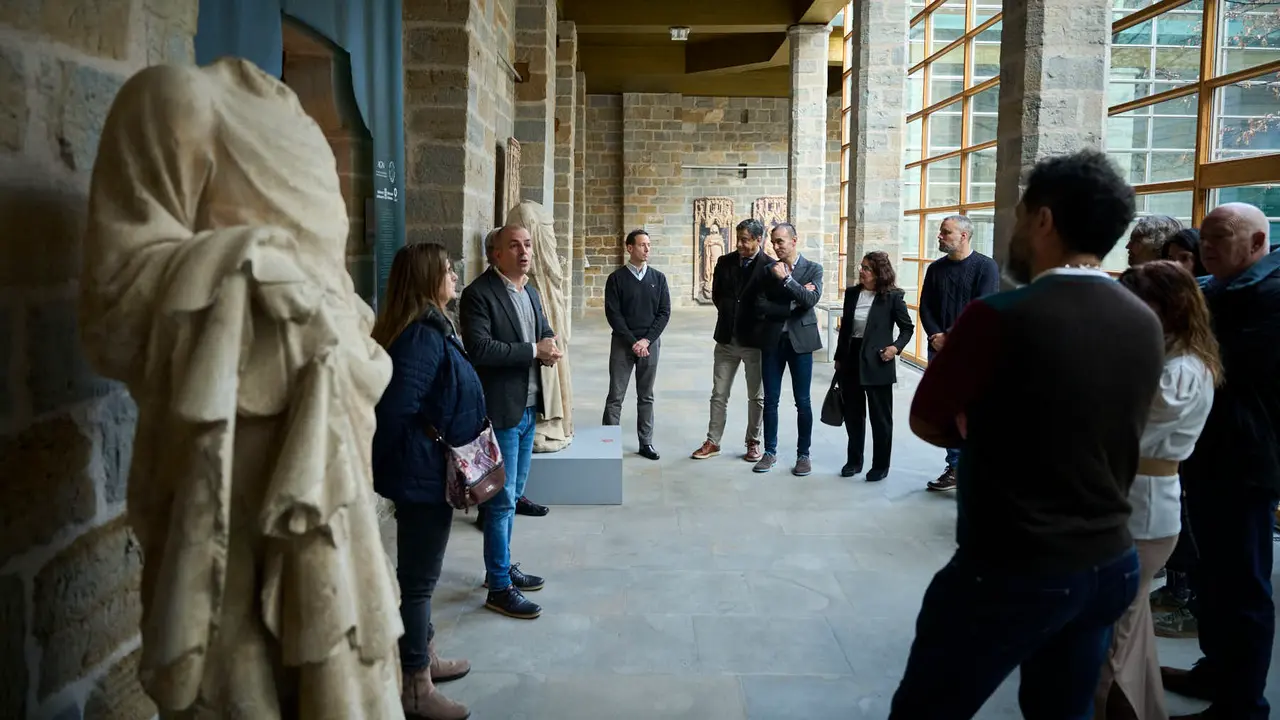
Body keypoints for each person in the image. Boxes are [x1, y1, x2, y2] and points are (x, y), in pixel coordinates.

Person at [889, 149, 1166, 719]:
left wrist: (984, 426)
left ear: (1043, 220)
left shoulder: (999, 315)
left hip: (1016, 562)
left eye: (1019, 214)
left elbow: (927, 419)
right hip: (1112, 559)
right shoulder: (1142, 318)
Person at [1162, 202, 1279, 720]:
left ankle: (1243, 704)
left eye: (1221, 237)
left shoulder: (1270, 295)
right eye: (1204, 236)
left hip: (1246, 461)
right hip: (1211, 454)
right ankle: (1216, 671)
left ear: (1256, 244)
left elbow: (1215, 362)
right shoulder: (1222, 289)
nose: (1207, 246)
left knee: (1244, 584)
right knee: (1215, 574)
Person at [1092, 260, 1219, 720]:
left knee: (1108, 638)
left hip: (1142, 510)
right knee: (1129, 630)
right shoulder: (1164, 356)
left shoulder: (1182, 369)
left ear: (1169, 308)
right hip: (1131, 501)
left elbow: (1115, 425)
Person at [371, 243, 480, 720]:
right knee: (417, 582)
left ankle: (425, 657)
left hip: (426, 471)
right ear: (425, 279)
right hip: (423, 475)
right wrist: (418, 463)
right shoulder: (420, 336)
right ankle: (414, 684)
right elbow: (395, 411)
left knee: (423, 578)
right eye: (446, 270)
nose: (454, 275)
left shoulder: (432, 327)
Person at [458, 225, 560, 620]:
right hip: (501, 410)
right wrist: (534, 349)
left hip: (529, 408)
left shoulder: (530, 291)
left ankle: (499, 567)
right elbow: (480, 349)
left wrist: (549, 346)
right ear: (495, 254)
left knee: (513, 495)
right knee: (500, 503)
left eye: (528, 245)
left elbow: (544, 329)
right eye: (514, 246)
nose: (524, 252)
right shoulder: (478, 294)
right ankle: (499, 587)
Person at [917, 214, 1000, 492]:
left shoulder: (986, 267)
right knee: (948, 411)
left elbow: (982, 307)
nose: (939, 236)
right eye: (941, 232)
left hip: (972, 351)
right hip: (939, 350)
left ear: (964, 236)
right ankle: (954, 467)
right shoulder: (935, 269)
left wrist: (950, 337)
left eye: (945, 232)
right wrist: (935, 336)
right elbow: (925, 306)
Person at [690, 218, 771, 462]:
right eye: (738, 239)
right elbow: (717, 295)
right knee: (719, 393)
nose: (740, 244)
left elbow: (770, 303)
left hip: (754, 342)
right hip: (726, 339)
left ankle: (753, 441)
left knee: (756, 396)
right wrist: (730, 314)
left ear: (759, 240)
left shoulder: (769, 266)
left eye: (746, 240)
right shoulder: (724, 262)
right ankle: (713, 441)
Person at [832, 251, 913, 482]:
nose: (861, 271)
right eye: (862, 266)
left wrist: (895, 348)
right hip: (850, 359)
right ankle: (854, 461)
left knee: (880, 418)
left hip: (879, 360)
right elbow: (846, 329)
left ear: (879, 273)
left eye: (866, 268)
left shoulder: (893, 297)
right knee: (853, 414)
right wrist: (839, 358)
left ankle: (880, 466)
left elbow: (907, 328)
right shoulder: (852, 294)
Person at [751, 222, 824, 476]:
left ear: (794, 240)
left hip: (801, 343)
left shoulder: (813, 268)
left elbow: (812, 300)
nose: (776, 246)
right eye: (773, 241)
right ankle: (769, 452)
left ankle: (803, 455)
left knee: (802, 401)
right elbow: (760, 305)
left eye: (780, 241)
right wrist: (794, 303)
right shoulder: (767, 270)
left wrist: (788, 281)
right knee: (771, 400)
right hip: (772, 341)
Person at [603, 229, 671, 460]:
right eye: (642, 245)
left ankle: (646, 443)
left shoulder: (658, 278)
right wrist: (633, 342)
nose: (647, 249)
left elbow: (664, 313)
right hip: (623, 344)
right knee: (616, 395)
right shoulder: (616, 279)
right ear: (629, 248)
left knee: (646, 395)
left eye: (649, 245)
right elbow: (614, 315)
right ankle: (608, 443)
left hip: (649, 345)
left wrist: (646, 340)